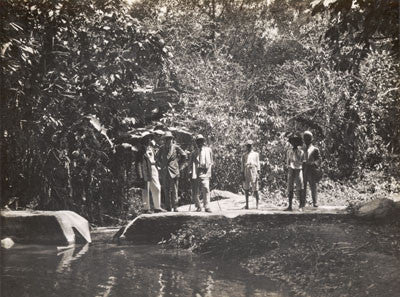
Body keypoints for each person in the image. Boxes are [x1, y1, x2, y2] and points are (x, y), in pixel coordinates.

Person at [156, 131, 187, 212]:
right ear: (164, 140)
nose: (168, 141)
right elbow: (157, 158)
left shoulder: (176, 147)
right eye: (166, 139)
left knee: (175, 189)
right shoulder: (161, 148)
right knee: (166, 189)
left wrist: (178, 164)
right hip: (165, 171)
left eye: (169, 139)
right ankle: (168, 207)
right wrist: (161, 165)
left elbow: (184, 155)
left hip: (174, 171)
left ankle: (175, 206)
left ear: (172, 139)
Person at [136, 134, 166, 213]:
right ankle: (146, 209)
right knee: (145, 189)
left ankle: (157, 207)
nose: (148, 140)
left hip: (154, 168)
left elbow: (156, 159)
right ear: (144, 140)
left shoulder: (152, 149)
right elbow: (138, 163)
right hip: (145, 170)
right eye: (146, 139)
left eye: (149, 138)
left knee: (157, 187)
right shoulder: (141, 151)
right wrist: (140, 174)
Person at [190, 134, 213, 212]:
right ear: (196, 142)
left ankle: (207, 206)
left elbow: (211, 161)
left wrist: (210, 171)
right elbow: (191, 163)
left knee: (206, 188)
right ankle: (198, 206)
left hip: (205, 171)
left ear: (203, 141)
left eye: (201, 141)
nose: (200, 142)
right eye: (198, 141)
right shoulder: (194, 152)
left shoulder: (208, 150)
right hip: (196, 171)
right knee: (195, 190)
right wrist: (191, 172)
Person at [284, 133, 304, 211]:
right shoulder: (289, 151)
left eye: (296, 142)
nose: (294, 144)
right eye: (293, 142)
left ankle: (300, 206)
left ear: (298, 143)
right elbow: (288, 161)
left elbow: (302, 161)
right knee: (290, 187)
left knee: (300, 187)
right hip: (291, 169)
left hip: (298, 169)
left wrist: (296, 163)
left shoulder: (301, 152)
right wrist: (289, 167)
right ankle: (290, 206)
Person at [302, 130, 321, 208]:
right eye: (305, 138)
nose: (307, 140)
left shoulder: (314, 149)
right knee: (303, 186)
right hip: (303, 169)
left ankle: (315, 202)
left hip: (311, 169)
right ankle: (302, 202)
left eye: (308, 138)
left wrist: (314, 164)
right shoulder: (301, 149)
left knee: (313, 186)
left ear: (311, 139)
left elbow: (319, 159)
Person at [241, 140, 261, 209]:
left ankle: (257, 205)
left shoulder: (256, 154)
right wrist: (242, 173)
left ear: (252, 146)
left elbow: (258, 163)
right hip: (246, 170)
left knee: (255, 187)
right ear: (246, 146)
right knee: (246, 188)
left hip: (253, 170)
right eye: (248, 146)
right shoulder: (244, 155)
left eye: (250, 146)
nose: (249, 147)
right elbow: (242, 165)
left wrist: (258, 173)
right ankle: (247, 205)